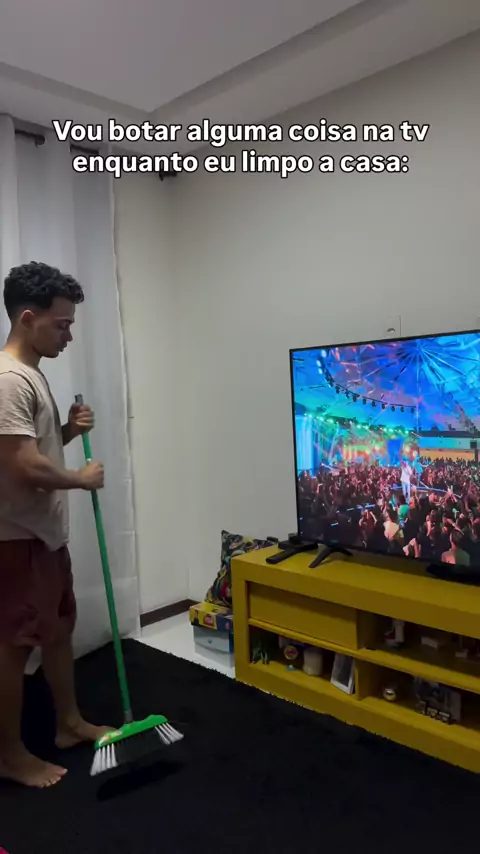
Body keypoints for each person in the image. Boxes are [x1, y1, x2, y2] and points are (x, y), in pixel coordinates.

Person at [0, 261, 112, 788]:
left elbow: (35, 449)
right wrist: (80, 479)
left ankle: (68, 723)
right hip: (16, 539)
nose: (68, 335)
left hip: (44, 536)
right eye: (61, 324)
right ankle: (10, 755)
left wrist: (65, 431)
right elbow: (22, 466)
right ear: (28, 318)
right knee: (14, 647)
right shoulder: (7, 380)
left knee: (59, 633)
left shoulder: (31, 375)